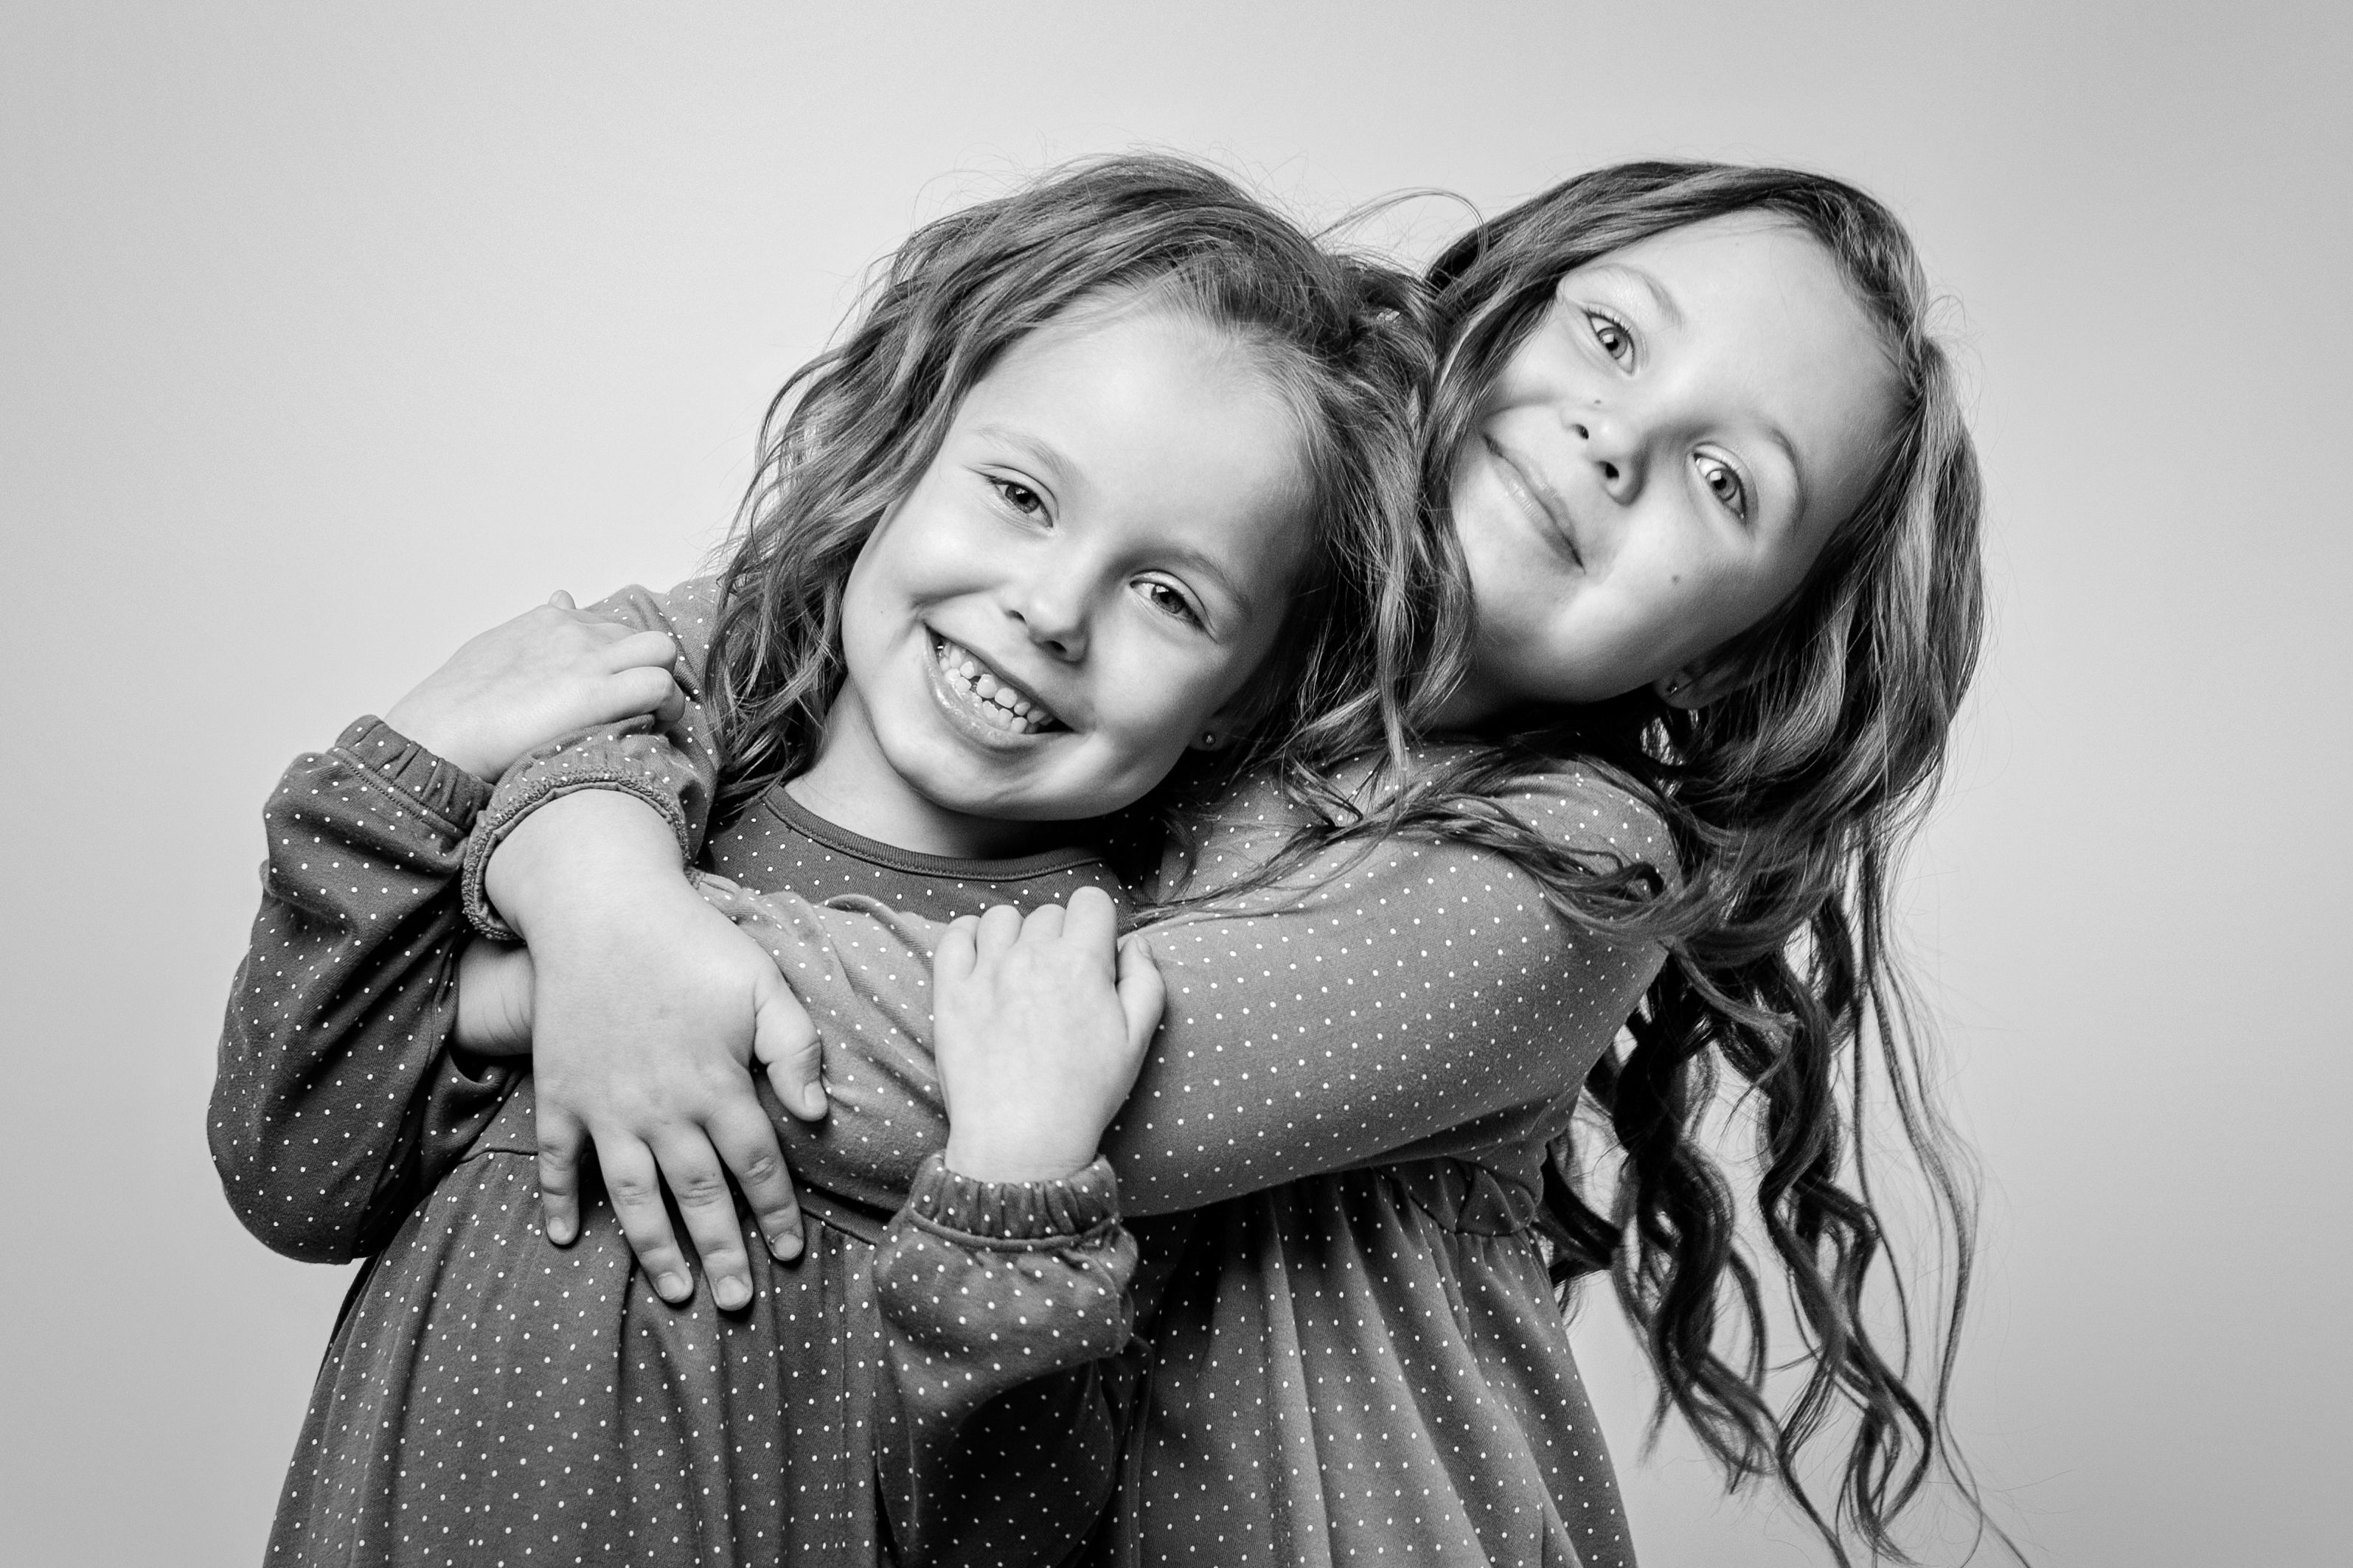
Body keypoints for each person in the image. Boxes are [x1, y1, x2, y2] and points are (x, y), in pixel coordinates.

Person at [462, 161, 2001, 1567]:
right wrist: (593, 870)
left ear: (1735, 659)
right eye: (1612, 337)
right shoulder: (1218, 547)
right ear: (1498, 305)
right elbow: (692, 653)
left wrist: (524, 979)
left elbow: (993, 1060)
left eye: (1727, 482)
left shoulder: (1572, 868)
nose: (1621, 440)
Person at [210, 154, 1428, 1568]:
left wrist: (1018, 1196)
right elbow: (295, 1170)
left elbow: (1004, 1539)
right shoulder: (595, 799)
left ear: (1242, 692)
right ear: (898, 452)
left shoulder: (1087, 999)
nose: (1052, 608)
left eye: (1168, 594)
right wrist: (425, 787)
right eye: (1022, 494)